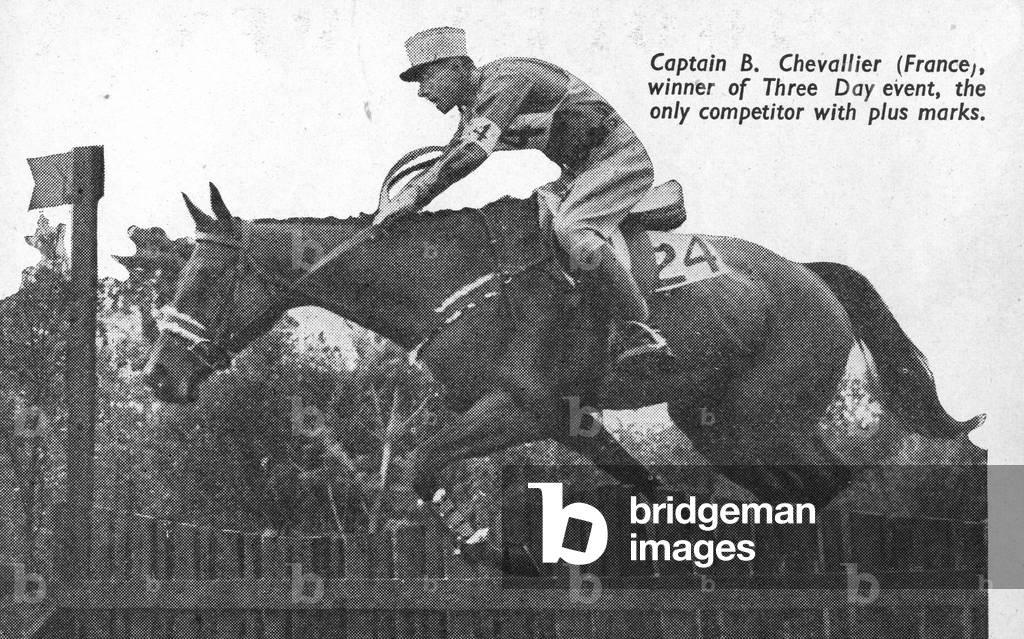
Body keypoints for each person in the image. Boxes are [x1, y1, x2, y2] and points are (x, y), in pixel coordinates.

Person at [377, 26, 673, 369]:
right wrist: (401, 202)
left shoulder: (505, 80)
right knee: (530, 229)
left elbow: (470, 154)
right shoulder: (472, 111)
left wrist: (411, 197)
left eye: (425, 77)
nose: (422, 92)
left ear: (457, 67)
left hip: (617, 157)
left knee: (572, 229)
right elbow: (449, 158)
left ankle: (637, 328)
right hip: (578, 171)